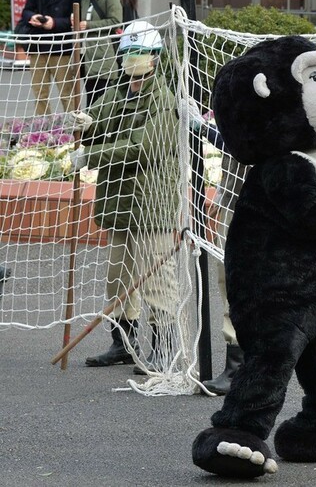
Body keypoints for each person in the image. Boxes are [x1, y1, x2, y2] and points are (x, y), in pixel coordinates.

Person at [70, 21, 181, 376]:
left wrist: (92, 155)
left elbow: (142, 149)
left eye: (141, 53)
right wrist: (85, 125)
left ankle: (165, 348)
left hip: (153, 201)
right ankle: (124, 342)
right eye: (128, 53)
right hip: (118, 200)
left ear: (155, 58)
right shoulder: (114, 93)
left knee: (157, 278)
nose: (134, 60)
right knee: (118, 277)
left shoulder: (163, 100)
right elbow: (97, 128)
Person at [184, 106, 247, 395]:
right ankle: (236, 365)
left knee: (241, 284)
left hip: (255, 210)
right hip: (234, 203)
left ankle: (241, 368)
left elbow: (243, 144)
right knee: (228, 282)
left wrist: (203, 128)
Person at [18, 0, 82, 118]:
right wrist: (34, 16)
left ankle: (73, 129)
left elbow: (76, 20)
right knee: (40, 93)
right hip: (38, 47)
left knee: (66, 92)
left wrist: (54, 23)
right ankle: (43, 129)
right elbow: (26, 11)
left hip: (61, 49)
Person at [73, 0, 123, 106]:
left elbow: (116, 21)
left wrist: (88, 25)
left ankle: (100, 129)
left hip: (103, 54)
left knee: (102, 99)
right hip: (86, 55)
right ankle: (91, 128)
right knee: (90, 95)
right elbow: (81, 23)